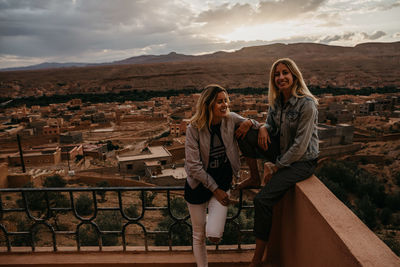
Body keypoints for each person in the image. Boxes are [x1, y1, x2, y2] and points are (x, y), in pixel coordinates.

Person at [237, 58, 319, 267]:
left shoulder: (306, 104)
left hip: (301, 162)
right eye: (277, 74)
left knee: (262, 201)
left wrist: (276, 166)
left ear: (294, 76)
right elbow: (270, 127)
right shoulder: (276, 102)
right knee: (244, 132)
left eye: (285, 73)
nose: (281, 77)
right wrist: (261, 126)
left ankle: (257, 260)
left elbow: (301, 146)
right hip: (282, 153)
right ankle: (254, 177)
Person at [184, 84, 257, 267]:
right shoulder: (193, 128)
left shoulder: (230, 119)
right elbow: (193, 166)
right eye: (219, 102)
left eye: (225, 100)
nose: (224, 104)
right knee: (198, 235)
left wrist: (249, 122)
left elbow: (254, 124)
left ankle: (210, 219)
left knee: (214, 235)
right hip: (198, 186)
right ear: (208, 104)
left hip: (223, 184)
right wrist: (214, 189)